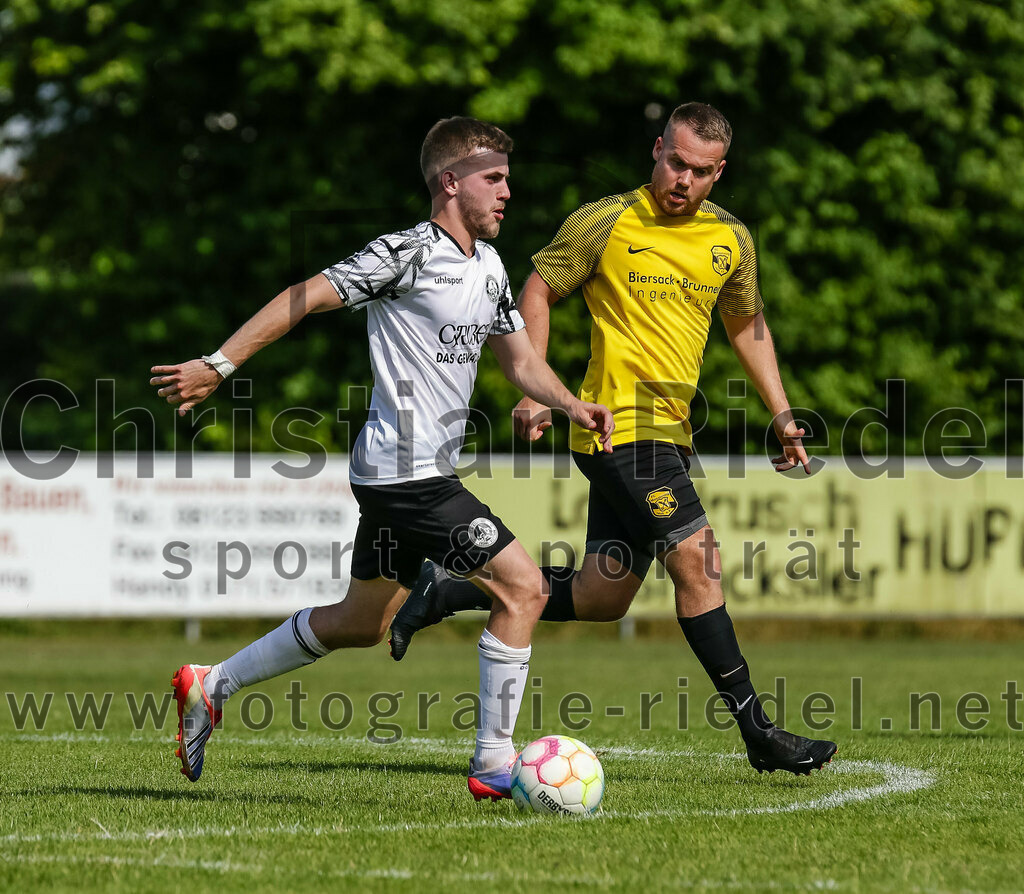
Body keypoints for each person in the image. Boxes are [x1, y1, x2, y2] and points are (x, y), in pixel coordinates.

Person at [149, 116, 613, 800]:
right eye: (494, 178)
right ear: (450, 182)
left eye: (508, 178)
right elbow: (302, 297)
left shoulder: (488, 268)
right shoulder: (405, 252)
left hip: (404, 475)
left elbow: (519, 360)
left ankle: (210, 684)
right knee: (525, 589)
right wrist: (219, 364)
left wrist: (570, 404)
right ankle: (492, 765)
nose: (507, 192)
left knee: (362, 624)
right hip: (408, 476)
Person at [388, 103, 837, 776]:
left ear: (720, 173)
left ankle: (447, 591)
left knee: (602, 598)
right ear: (657, 150)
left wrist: (781, 413)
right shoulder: (607, 221)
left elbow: (747, 325)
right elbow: (536, 290)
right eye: (676, 162)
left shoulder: (731, 240)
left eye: (702, 171)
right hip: (617, 428)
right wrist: (537, 390)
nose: (684, 179)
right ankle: (759, 734)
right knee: (699, 561)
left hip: (671, 436)